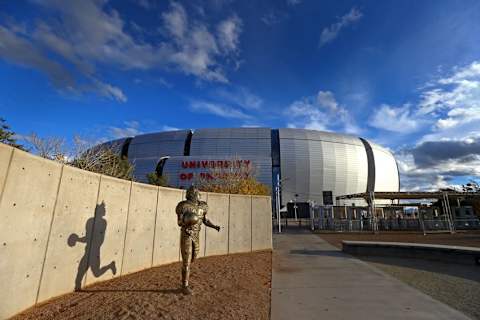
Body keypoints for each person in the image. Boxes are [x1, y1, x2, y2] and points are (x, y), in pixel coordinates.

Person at [176, 186, 220, 294]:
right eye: (193, 192)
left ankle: (186, 274)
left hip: (196, 234)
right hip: (187, 234)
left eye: (195, 192)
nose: (196, 194)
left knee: (194, 257)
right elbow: (179, 222)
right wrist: (187, 221)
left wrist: (214, 226)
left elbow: (205, 220)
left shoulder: (202, 206)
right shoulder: (183, 206)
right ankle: (184, 286)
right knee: (186, 261)